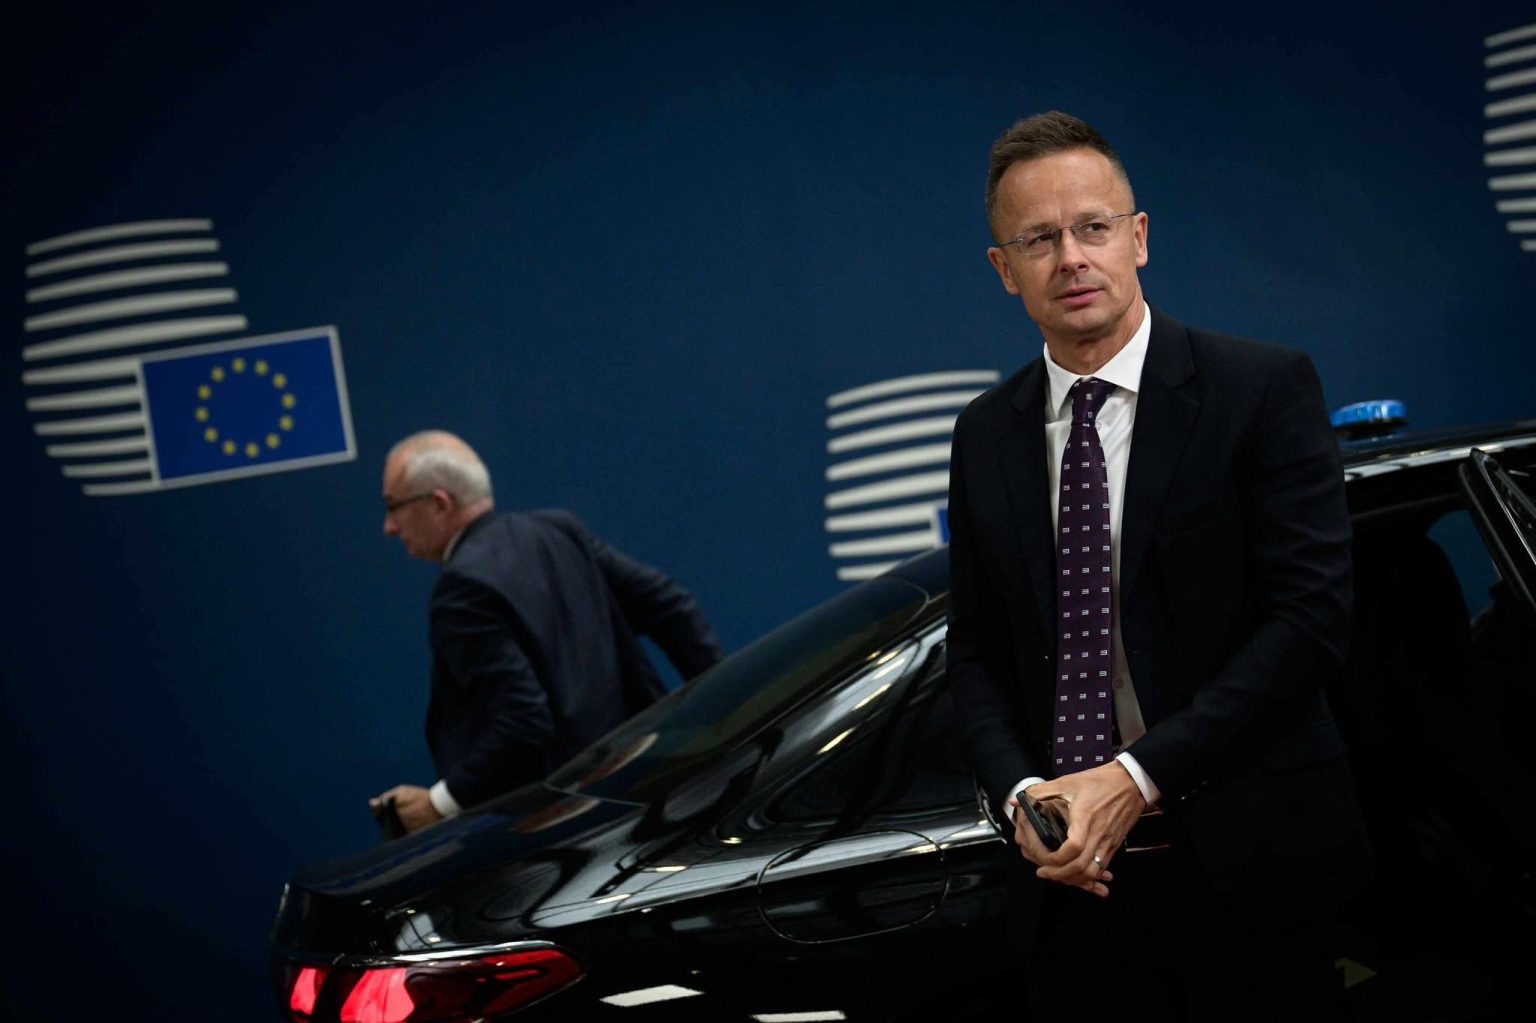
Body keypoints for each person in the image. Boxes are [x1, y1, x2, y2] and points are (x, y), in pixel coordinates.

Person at [945, 112, 1371, 1020]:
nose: (1071, 258)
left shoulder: (1259, 388)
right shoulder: (984, 433)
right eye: (1039, 239)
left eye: (1093, 227)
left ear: (1138, 238)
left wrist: (1131, 777)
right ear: (1004, 269)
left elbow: (1308, 625)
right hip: (1072, 888)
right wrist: (1024, 796)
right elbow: (976, 650)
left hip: (1253, 868)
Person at [371, 430, 724, 834]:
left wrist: (437, 804)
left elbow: (523, 722)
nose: (389, 527)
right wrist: (725, 716)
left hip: (563, 825)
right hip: (645, 786)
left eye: (393, 507)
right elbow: (673, 609)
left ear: (439, 503)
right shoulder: (558, 531)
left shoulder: (461, 590)